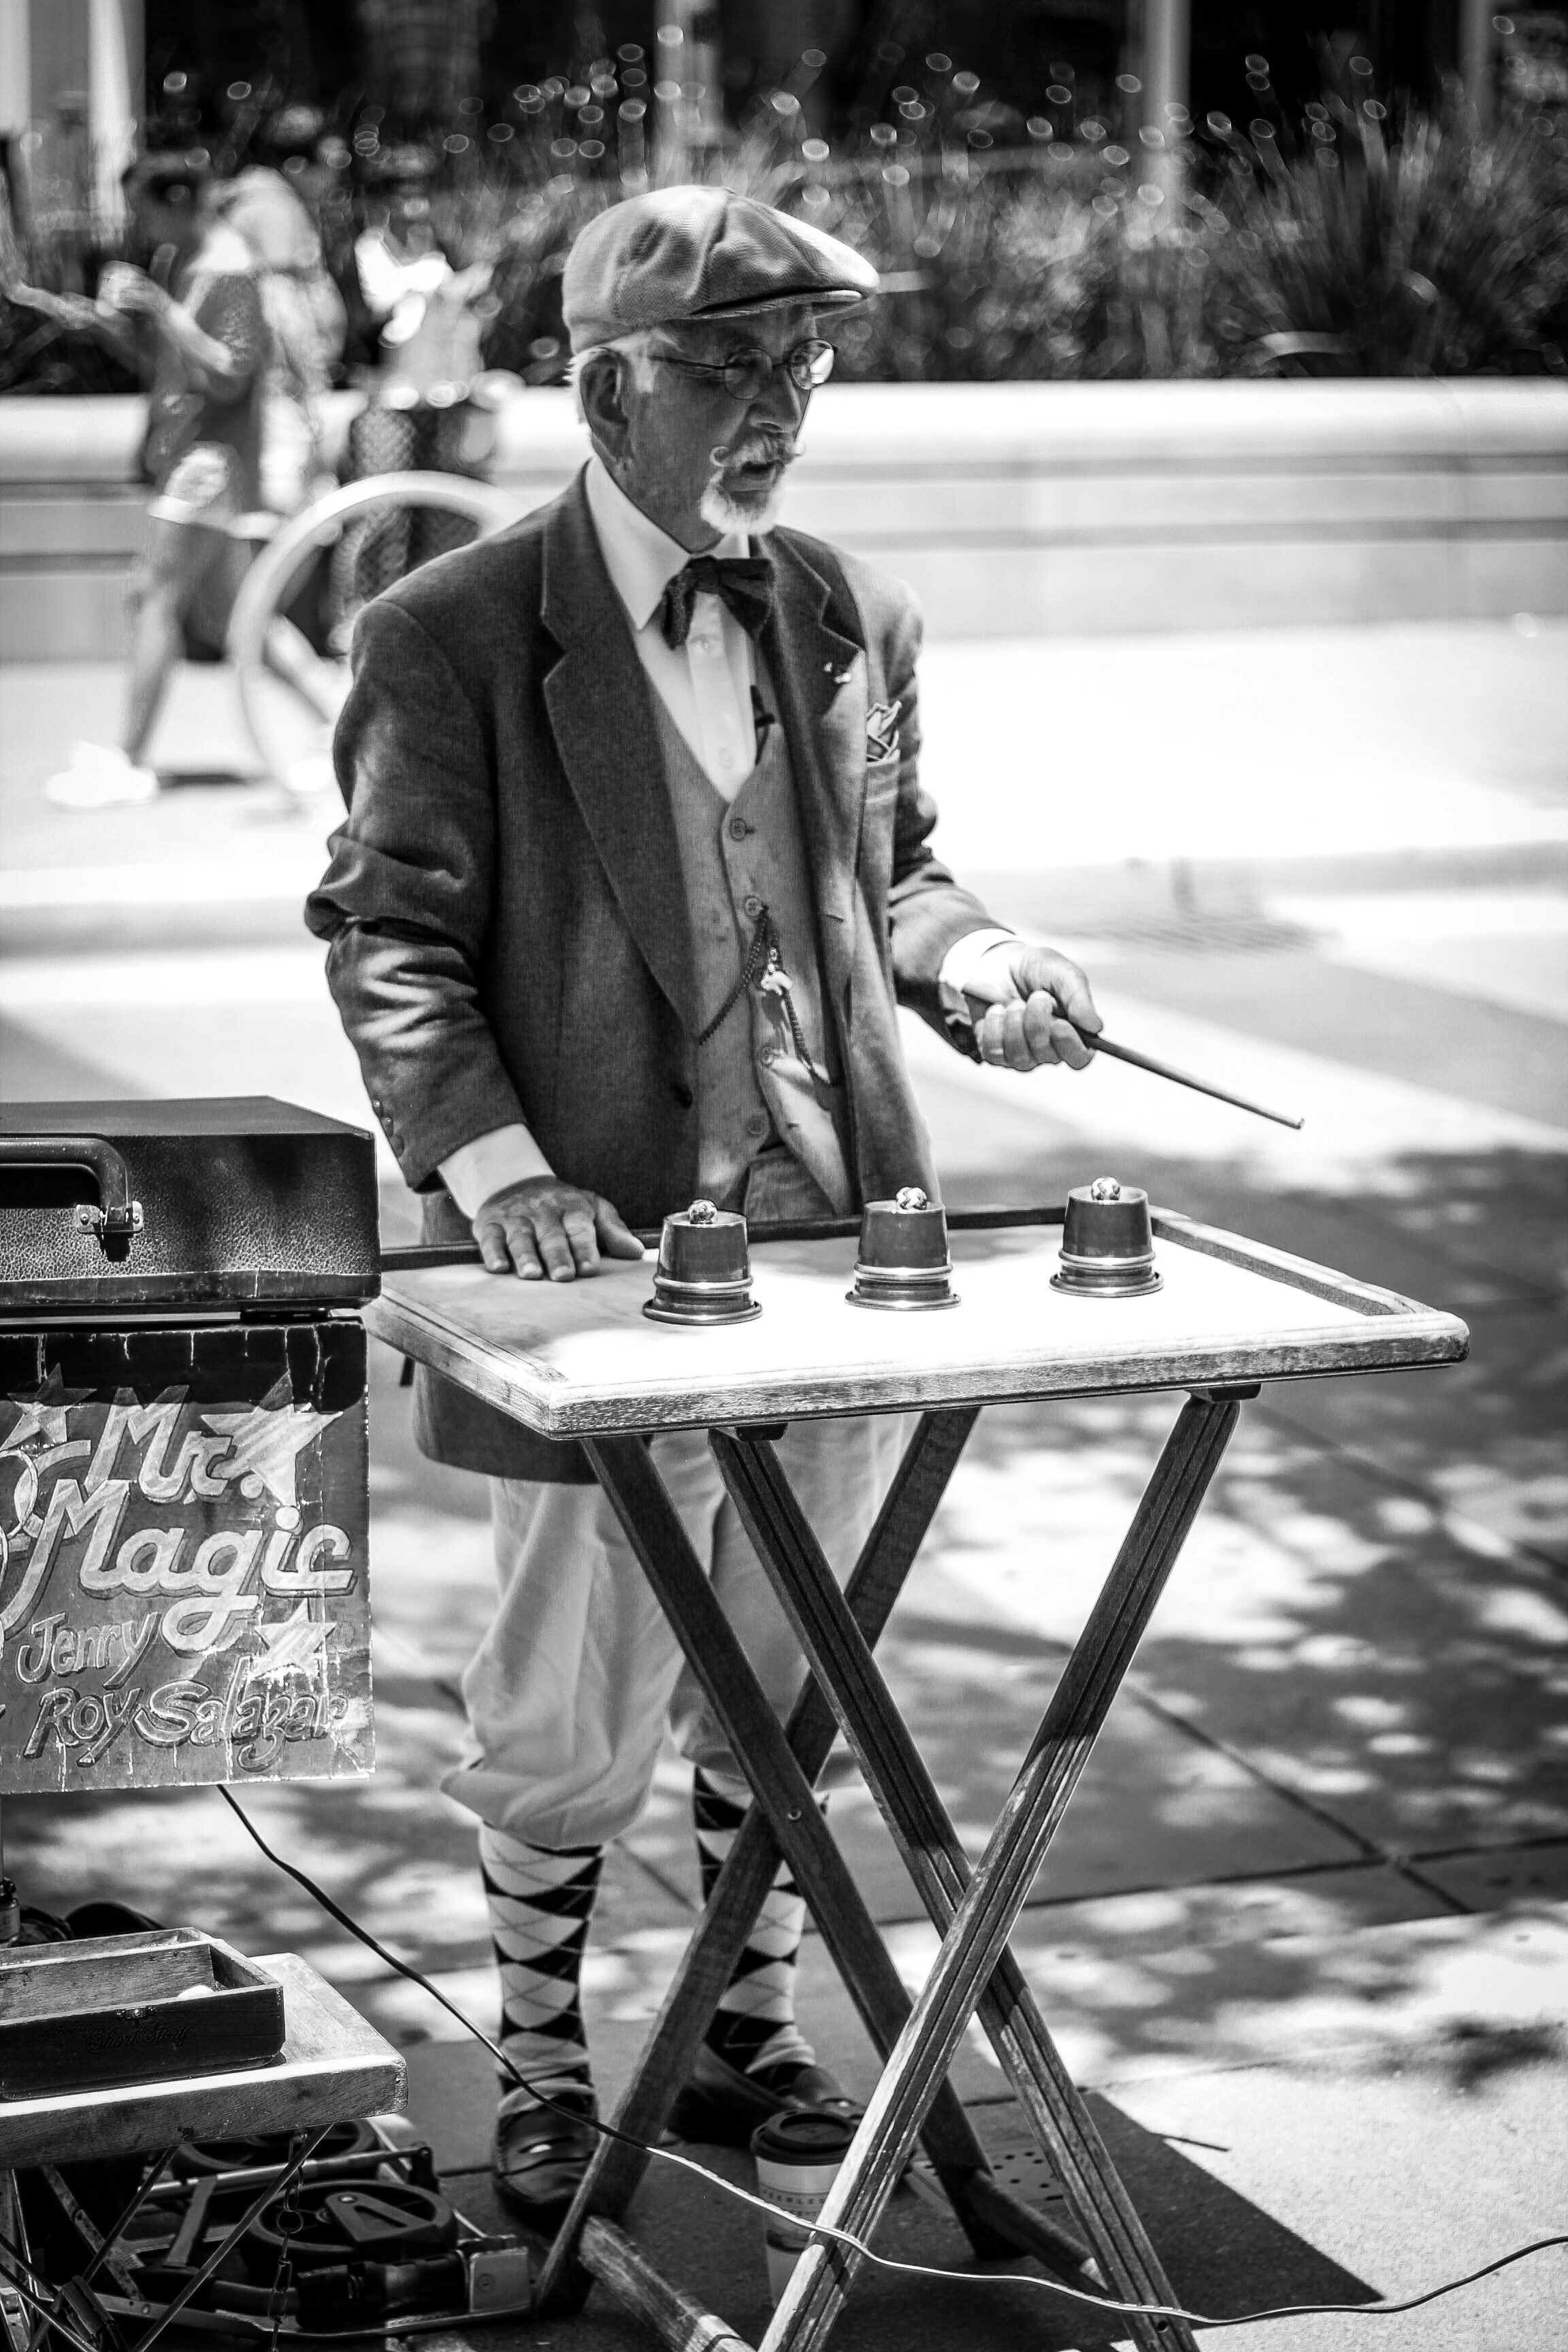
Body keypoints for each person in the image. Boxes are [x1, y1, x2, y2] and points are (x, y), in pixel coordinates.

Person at [307, 185, 1102, 2234]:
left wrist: (982, 960)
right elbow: (389, 940)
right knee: (568, 1689)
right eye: (740, 368)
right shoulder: (450, 635)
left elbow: (896, 874)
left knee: (791, 1652)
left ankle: (742, 2025)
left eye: (809, 363)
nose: (790, 404)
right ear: (603, 388)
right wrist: (502, 1179)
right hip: (597, 1287)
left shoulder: (844, 609)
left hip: (841, 1253)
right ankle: (552, 2066)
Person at [46, 154, 269, 808]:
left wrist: (162, 307)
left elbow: (230, 372)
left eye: (142, 209)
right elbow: (162, 360)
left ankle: (131, 758)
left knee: (154, 597)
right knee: (238, 610)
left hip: (210, 457)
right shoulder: (181, 260)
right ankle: (334, 721)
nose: (137, 225)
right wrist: (107, 326)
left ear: (175, 200)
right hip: (183, 452)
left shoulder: (231, 269)